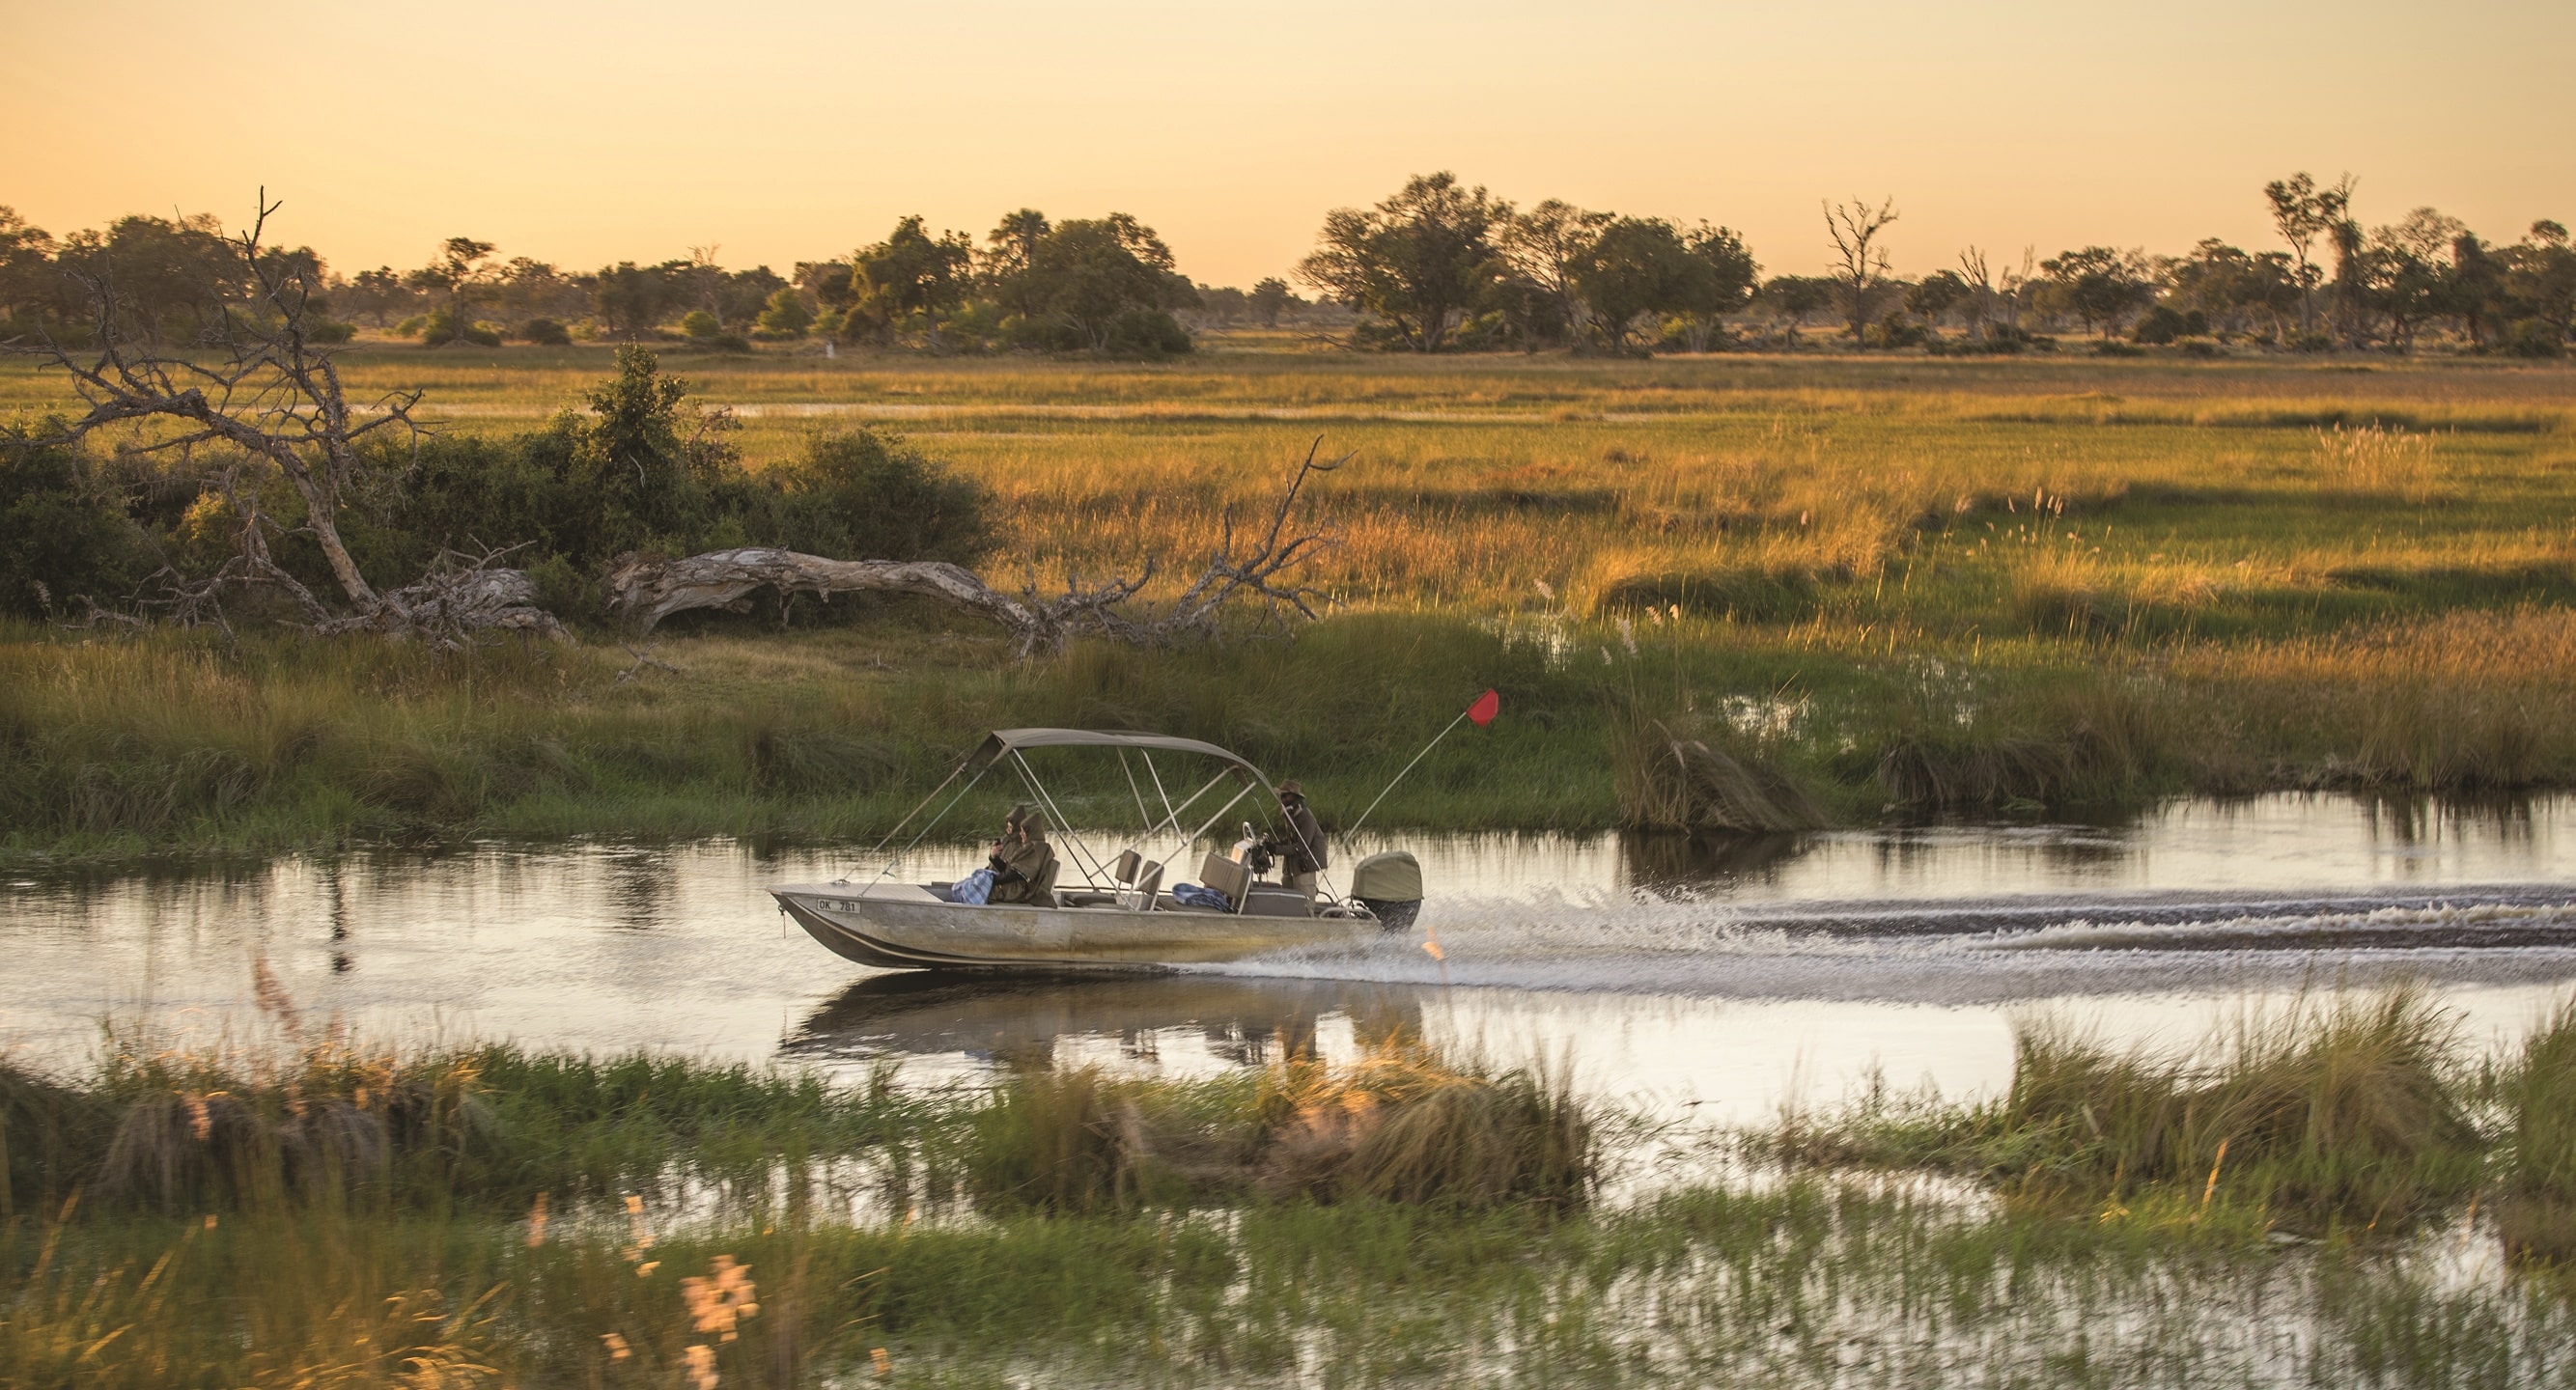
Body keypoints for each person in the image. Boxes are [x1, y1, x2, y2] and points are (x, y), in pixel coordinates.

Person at [986, 805, 1058, 905]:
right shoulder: (1029, 847)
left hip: (1017, 892)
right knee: (977, 882)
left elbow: (1014, 874)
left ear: (1031, 832)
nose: (1021, 834)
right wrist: (993, 859)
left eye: (1023, 832)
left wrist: (991, 880)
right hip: (1014, 886)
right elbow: (1008, 869)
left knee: (981, 888)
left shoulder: (1034, 850)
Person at [1269, 780, 1328, 898]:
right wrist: (1273, 845)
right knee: (1286, 890)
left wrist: (1276, 850)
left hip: (1305, 866)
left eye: (1285, 796)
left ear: (1294, 797)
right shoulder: (1290, 814)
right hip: (1291, 867)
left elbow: (1302, 847)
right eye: (1281, 796)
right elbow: (1292, 839)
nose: (1282, 799)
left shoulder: (1306, 816)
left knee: (1305, 901)